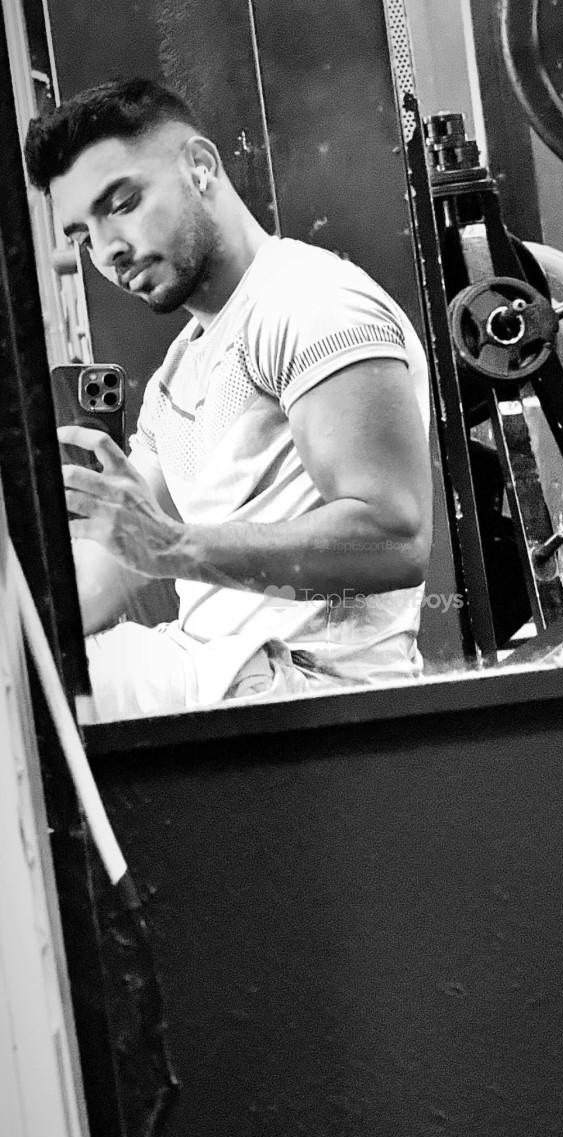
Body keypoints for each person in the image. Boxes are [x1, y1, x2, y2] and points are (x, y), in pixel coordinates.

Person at [24, 78, 433, 720]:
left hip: (314, 688)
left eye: (123, 204)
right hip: (209, 667)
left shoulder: (312, 303)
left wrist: (174, 547)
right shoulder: (179, 372)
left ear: (200, 166)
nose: (107, 251)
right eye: (82, 235)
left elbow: (395, 541)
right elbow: (114, 566)